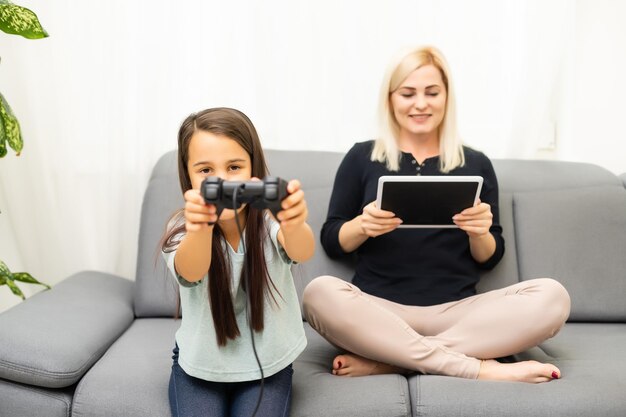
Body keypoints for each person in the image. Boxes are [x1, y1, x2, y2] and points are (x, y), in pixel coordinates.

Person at [302, 46, 571, 383]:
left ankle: (392, 361)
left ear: (446, 97)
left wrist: (480, 233)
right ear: (390, 98)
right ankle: (475, 367)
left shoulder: (475, 163)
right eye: (408, 93)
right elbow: (332, 240)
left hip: (457, 313)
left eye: (432, 92)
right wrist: (362, 225)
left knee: (553, 297)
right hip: (378, 310)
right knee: (318, 293)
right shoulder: (361, 157)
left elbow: (490, 257)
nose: (420, 104)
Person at [162, 107, 314, 416]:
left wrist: (294, 223)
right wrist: (201, 228)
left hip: (267, 369)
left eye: (234, 167)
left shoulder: (269, 222)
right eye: (205, 170)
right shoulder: (182, 229)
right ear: (188, 176)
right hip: (200, 368)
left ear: (254, 171)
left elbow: (301, 251)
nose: (222, 181)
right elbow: (191, 270)